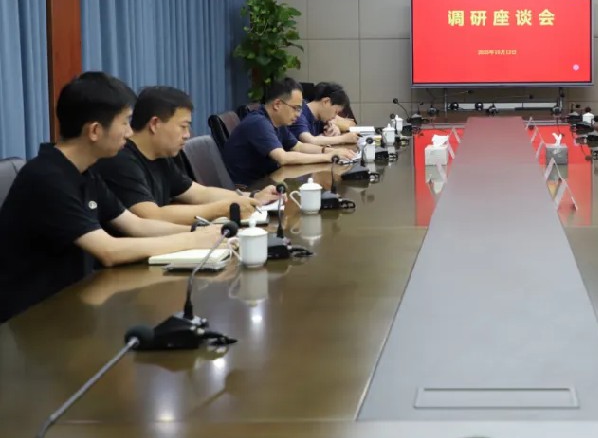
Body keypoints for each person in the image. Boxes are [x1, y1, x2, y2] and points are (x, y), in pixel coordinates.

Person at [0, 72, 223, 323]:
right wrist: (191, 240)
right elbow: (108, 250)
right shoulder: (48, 177)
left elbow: (135, 224)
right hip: (32, 319)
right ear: (95, 130)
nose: (129, 133)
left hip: (78, 302)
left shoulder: (85, 171)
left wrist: (203, 232)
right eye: (125, 122)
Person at [94, 86, 280, 224]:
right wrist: (224, 209)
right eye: (183, 126)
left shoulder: (161, 154)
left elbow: (199, 193)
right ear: (155, 124)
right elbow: (151, 216)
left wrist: (252, 197)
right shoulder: (120, 159)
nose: (188, 135)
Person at [222, 77, 353, 186]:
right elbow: (283, 158)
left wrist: (329, 151)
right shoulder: (258, 123)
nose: (298, 114)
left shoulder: (278, 122)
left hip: (268, 182)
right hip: (248, 190)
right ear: (277, 104)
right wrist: (328, 157)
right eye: (296, 108)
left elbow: (299, 147)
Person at [288, 81, 359, 147]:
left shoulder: (322, 116)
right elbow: (310, 140)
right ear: (326, 102)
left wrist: (335, 126)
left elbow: (351, 123)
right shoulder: (299, 112)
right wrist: (343, 138)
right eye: (336, 112)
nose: (335, 116)